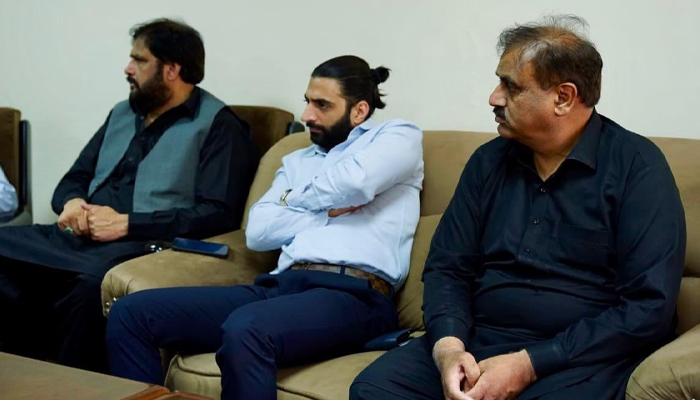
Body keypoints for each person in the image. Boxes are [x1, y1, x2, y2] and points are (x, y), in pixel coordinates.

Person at [351, 15, 686, 400]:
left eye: (510, 86)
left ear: (563, 98)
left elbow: (649, 307)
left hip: (576, 356)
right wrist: (449, 348)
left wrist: (530, 363)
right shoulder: (487, 162)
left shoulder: (637, 168)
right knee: (373, 389)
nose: (494, 97)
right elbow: (448, 268)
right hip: (477, 339)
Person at [106, 55, 424, 400]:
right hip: (281, 286)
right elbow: (258, 232)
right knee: (131, 313)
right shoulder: (296, 159)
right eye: (307, 101)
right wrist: (327, 212)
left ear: (359, 110)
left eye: (322, 105)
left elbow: (356, 184)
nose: (307, 115)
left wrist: (291, 199)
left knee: (247, 328)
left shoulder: (397, 136)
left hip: (355, 296)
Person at [0, 18, 257, 373]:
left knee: (90, 290)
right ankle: (18, 372)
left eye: (139, 60)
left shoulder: (220, 126)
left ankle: (72, 386)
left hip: (143, 245)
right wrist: (71, 203)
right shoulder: (123, 113)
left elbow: (217, 213)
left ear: (172, 70)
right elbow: (75, 178)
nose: (128, 68)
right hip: (78, 238)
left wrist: (127, 224)